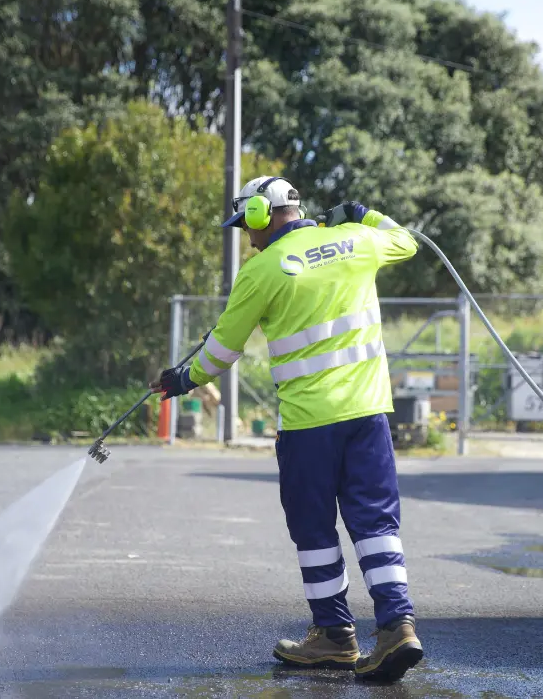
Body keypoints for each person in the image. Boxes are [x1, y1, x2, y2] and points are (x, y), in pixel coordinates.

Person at [153, 175, 423, 683]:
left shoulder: (262, 270)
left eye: (246, 225)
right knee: (376, 524)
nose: (246, 236)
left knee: (314, 529)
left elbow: (222, 351)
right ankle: (397, 628)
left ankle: (334, 636)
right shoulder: (358, 242)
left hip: (308, 424)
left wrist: (180, 380)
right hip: (369, 414)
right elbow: (406, 240)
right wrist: (364, 213)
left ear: (262, 213)